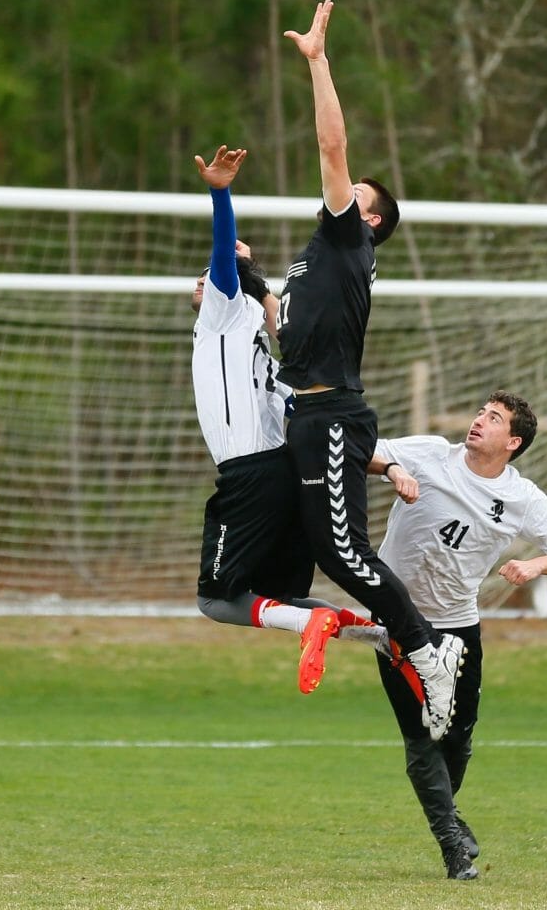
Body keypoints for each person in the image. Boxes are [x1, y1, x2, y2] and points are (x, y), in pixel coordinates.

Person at [277, 0, 464, 742]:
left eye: (359, 195)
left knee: (345, 553)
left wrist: (319, 61)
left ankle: (426, 646)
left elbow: (331, 146)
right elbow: (284, 319)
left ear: (372, 220)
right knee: (328, 552)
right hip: (308, 412)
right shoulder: (316, 259)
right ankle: (409, 639)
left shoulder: (348, 237)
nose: (345, 192)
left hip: (332, 413)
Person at [368, 390, 547, 881]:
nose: (478, 422)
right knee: (421, 735)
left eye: (493, 419)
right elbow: (358, 449)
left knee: (458, 737)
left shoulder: (521, 497)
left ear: (512, 441)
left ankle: (449, 815)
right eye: (479, 413)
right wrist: (392, 470)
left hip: (459, 625)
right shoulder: (429, 454)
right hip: (400, 622)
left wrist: (535, 564)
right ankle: (451, 847)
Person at [191, 144, 385, 695]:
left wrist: (221, 193)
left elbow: (225, 261)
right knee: (275, 596)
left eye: (209, 275)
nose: (202, 282)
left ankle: (315, 623)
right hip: (288, 469)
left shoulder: (226, 312)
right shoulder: (273, 358)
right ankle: (382, 635)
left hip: (248, 474)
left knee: (217, 598)